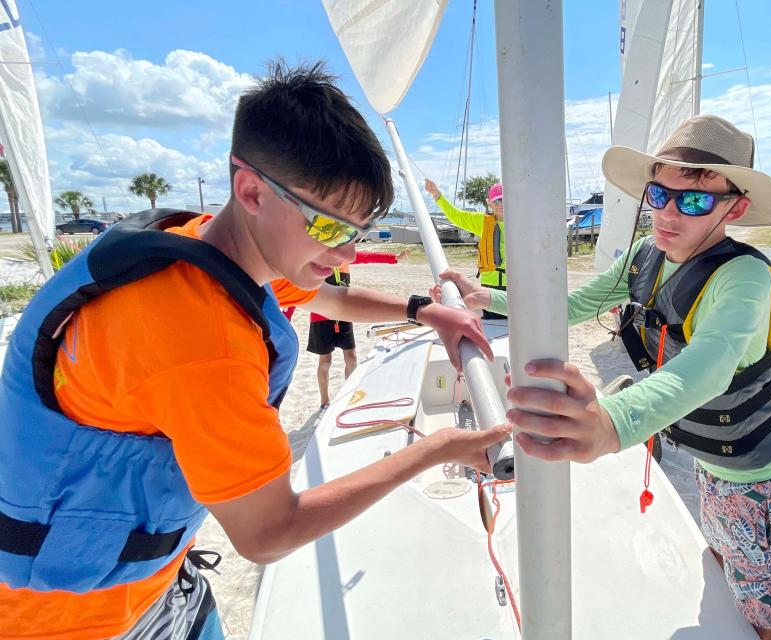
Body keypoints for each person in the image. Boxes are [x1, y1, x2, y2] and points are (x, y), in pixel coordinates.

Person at [0, 60, 508, 640]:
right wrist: (436, 449)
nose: (346, 254)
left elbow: (328, 300)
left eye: (361, 233)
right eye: (329, 229)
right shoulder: (200, 341)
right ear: (250, 190)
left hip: (161, 583)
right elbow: (268, 534)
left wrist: (422, 310)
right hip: (73, 619)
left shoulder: (205, 245)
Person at [435, 115, 771, 640]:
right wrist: (490, 298)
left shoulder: (744, 277)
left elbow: (713, 361)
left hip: (761, 485)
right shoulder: (645, 257)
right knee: (726, 583)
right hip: (712, 470)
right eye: (659, 194)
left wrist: (612, 422)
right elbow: (577, 304)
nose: (669, 213)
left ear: (736, 206)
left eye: (696, 200)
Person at [283, 249, 410, 409]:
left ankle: (348, 395)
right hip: (321, 317)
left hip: (344, 315)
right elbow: (297, 291)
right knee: (325, 361)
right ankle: (324, 401)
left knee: (351, 358)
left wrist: (394, 258)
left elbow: (368, 257)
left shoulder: (344, 259)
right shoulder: (316, 259)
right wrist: (286, 317)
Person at [424, 177, 507, 319]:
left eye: (504, 199)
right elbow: (456, 216)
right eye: (496, 201)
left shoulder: (522, 221)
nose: (501, 204)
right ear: (490, 204)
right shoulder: (481, 221)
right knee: (494, 326)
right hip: (489, 286)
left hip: (514, 284)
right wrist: (437, 195)